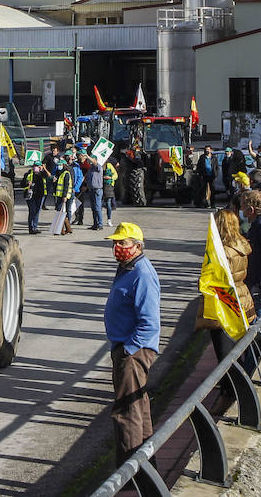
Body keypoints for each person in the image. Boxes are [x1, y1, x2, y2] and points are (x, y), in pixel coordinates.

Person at [104, 222, 161, 467]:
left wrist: (129, 350)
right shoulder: (127, 268)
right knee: (139, 410)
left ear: (137, 246)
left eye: (122, 243)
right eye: (115, 242)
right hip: (125, 348)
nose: (117, 247)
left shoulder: (142, 274)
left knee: (127, 413)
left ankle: (128, 474)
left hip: (133, 352)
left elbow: (149, 321)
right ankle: (146, 466)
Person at [196, 209, 257, 371]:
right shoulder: (242, 244)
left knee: (224, 353)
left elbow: (214, 279)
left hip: (224, 303)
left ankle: (229, 388)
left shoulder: (221, 252)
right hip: (242, 296)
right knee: (237, 348)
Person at [26, 162, 51, 234]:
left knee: (37, 211)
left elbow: (49, 175)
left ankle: (35, 227)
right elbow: (22, 183)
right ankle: (31, 228)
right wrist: (27, 183)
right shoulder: (29, 173)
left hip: (40, 195)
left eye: (38, 166)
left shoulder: (42, 173)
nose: (36, 167)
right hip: (31, 196)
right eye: (35, 166)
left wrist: (44, 169)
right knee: (32, 211)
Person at [52, 160, 74, 235]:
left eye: (60, 165)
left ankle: (61, 229)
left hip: (63, 196)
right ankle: (68, 228)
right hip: (59, 195)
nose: (59, 166)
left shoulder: (66, 174)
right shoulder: (59, 173)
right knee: (60, 212)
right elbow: (57, 185)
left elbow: (66, 186)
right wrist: (54, 182)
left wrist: (64, 196)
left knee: (60, 212)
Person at [85, 153, 105, 230]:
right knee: (93, 208)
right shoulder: (90, 168)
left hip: (97, 190)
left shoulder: (98, 166)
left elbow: (94, 162)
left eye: (91, 160)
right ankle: (95, 224)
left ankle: (100, 224)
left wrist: (87, 156)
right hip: (91, 190)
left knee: (97, 207)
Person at [102, 159, 119, 227]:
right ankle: (98, 220)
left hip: (108, 186)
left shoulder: (109, 165)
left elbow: (115, 175)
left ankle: (109, 219)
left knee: (108, 203)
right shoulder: (97, 165)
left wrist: (110, 177)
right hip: (100, 185)